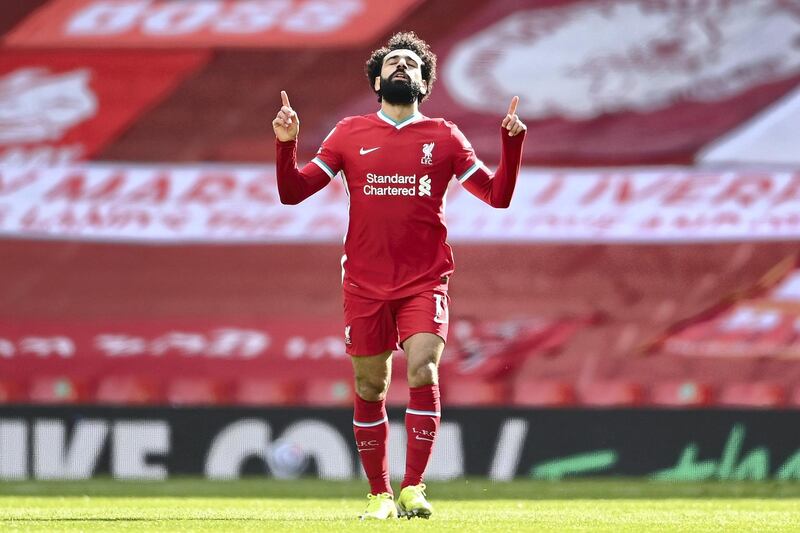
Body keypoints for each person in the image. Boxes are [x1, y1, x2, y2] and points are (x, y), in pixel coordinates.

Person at [272, 31, 526, 520]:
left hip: (424, 279)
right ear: (377, 79)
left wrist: (510, 146)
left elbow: (497, 196)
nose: (402, 68)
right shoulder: (348, 133)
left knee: (424, 368)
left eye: (411, 63)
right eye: (393, 63)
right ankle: (379, 495)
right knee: (371, 387)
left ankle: (413, 487)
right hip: (364, 283)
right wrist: (287, 146)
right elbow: (293, 193)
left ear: (425, 81)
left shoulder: (445, 137)